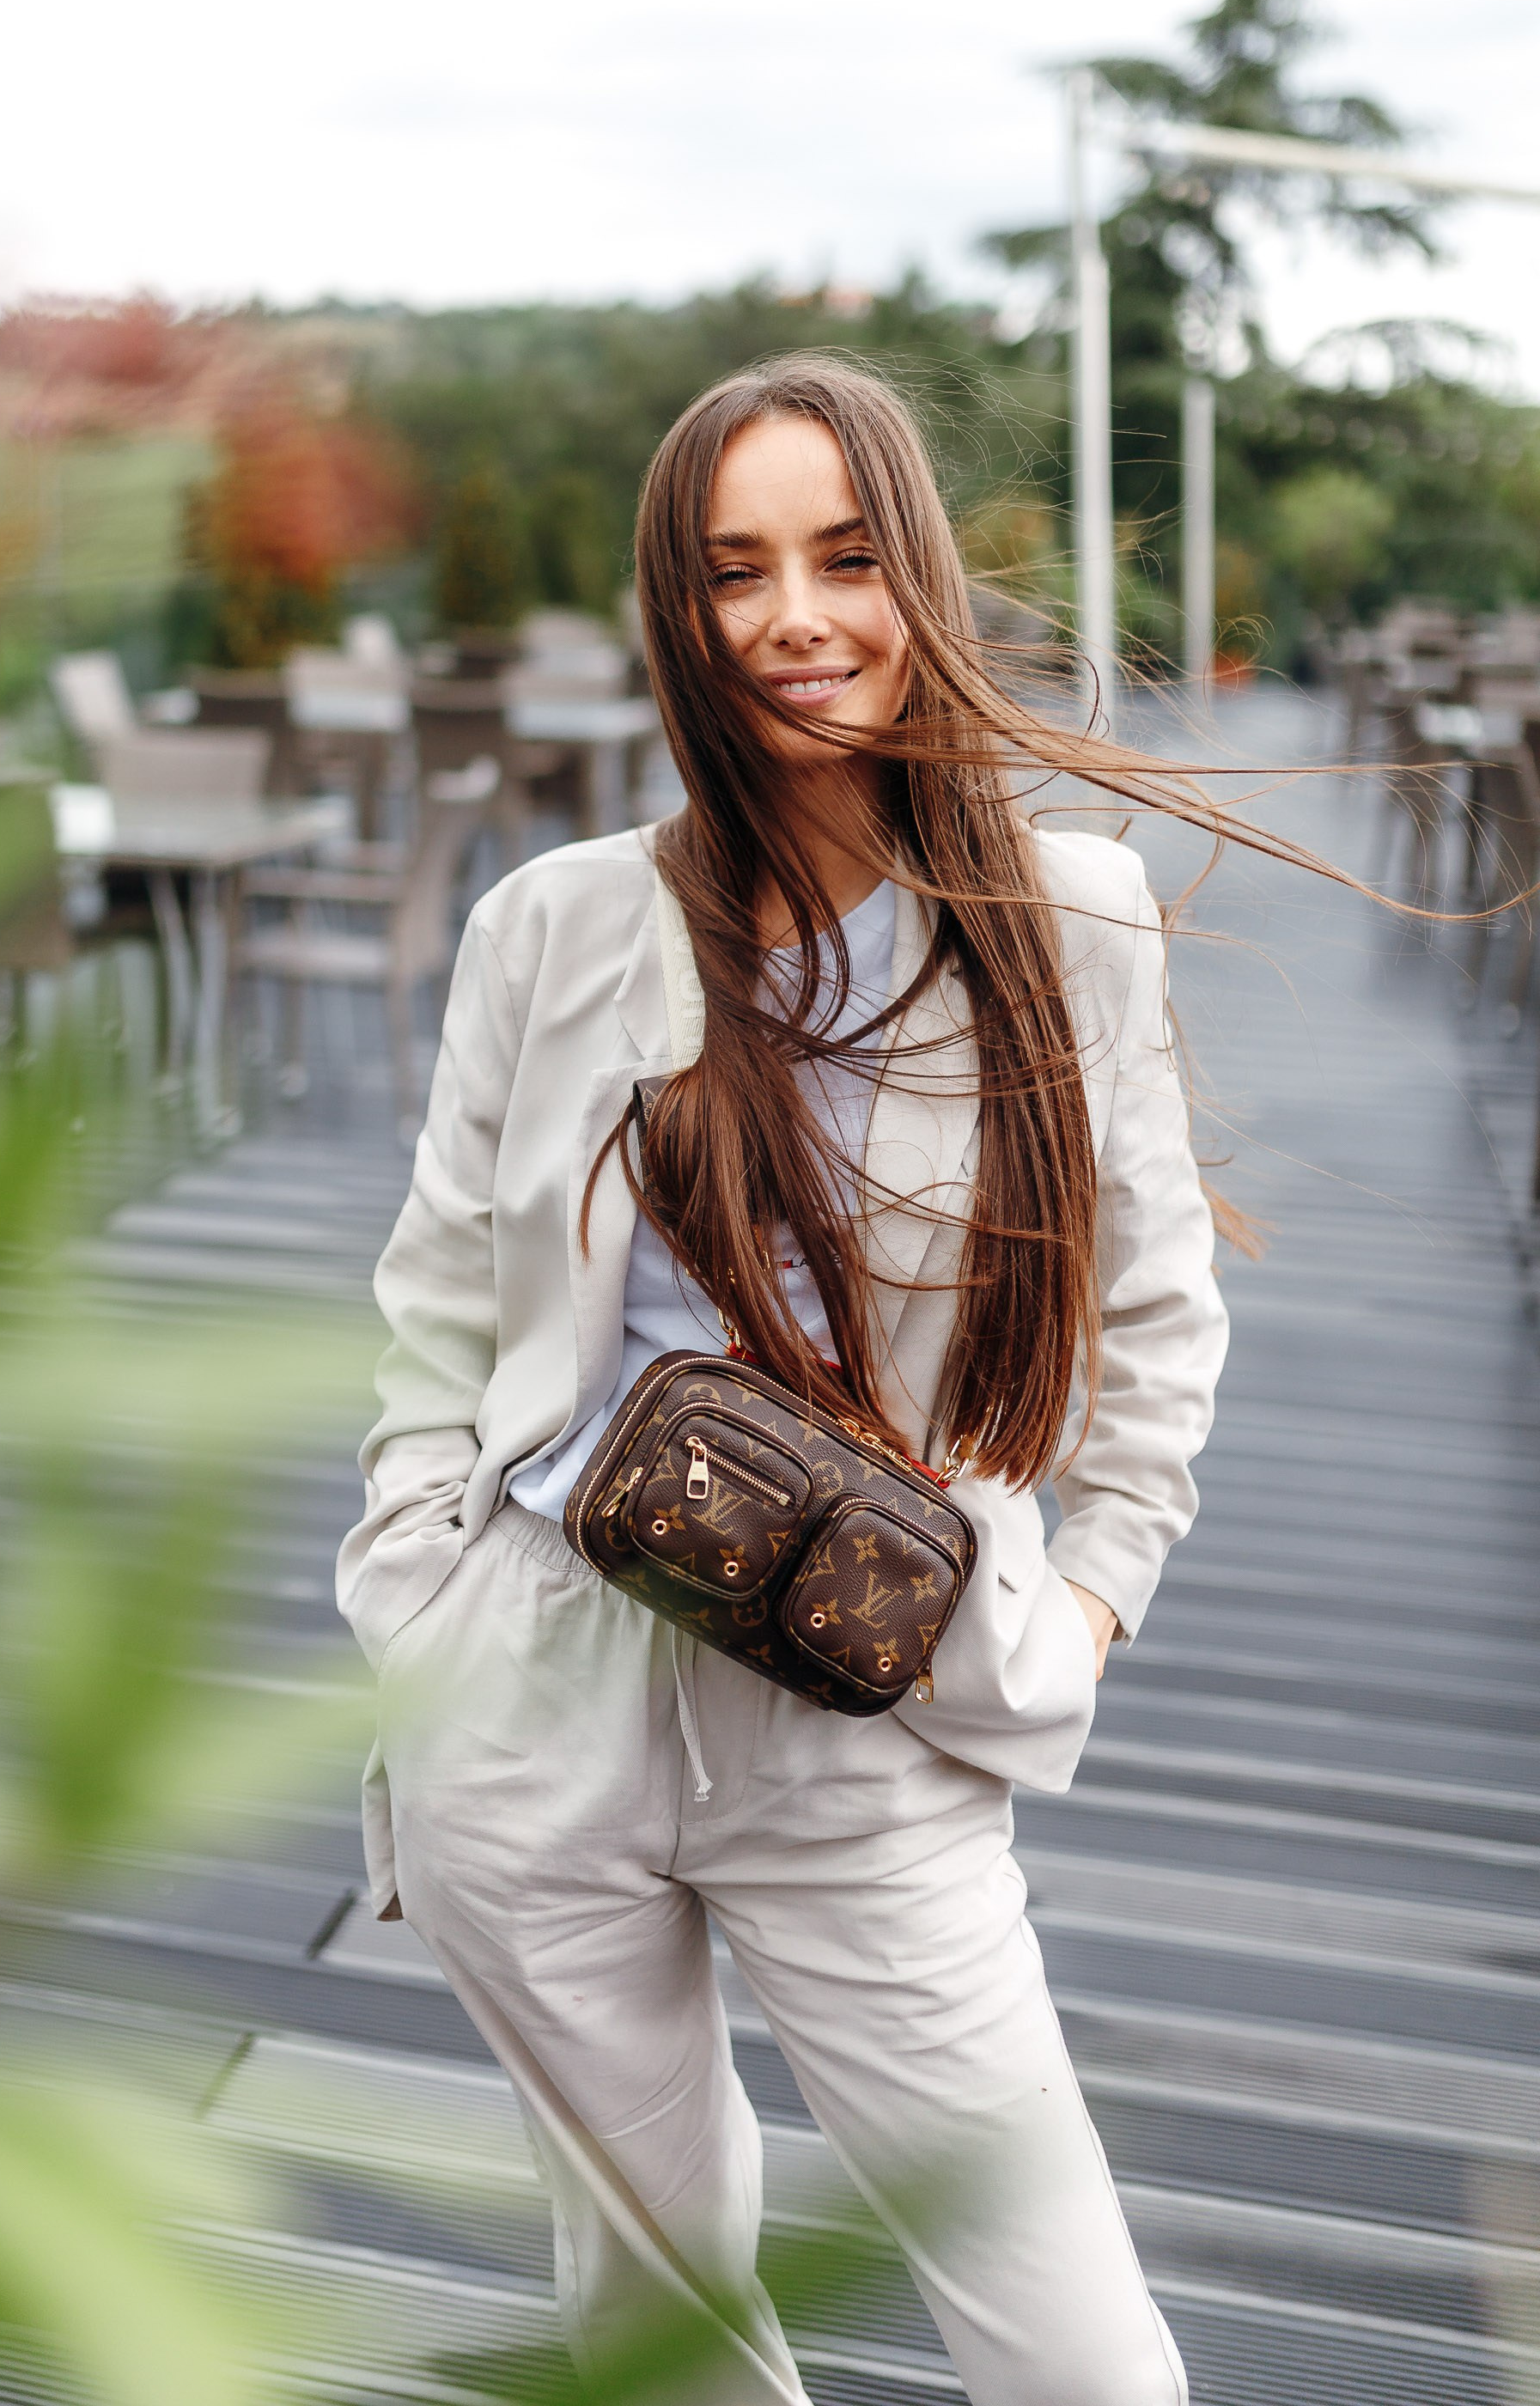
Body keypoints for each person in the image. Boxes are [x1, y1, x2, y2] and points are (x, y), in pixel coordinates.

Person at [338, 354, 1228, 2405]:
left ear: (915, 575)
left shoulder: (1060, 924)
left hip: (868, 1715)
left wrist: (1082, 1611)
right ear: (681, 613)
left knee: (1081, 2358)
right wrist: (416, 1600)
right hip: (536, 1709)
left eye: (841, 556)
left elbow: (1159, 1329)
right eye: (734, 572)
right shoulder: (553, 927)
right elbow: (439, 1318)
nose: (793, 617)